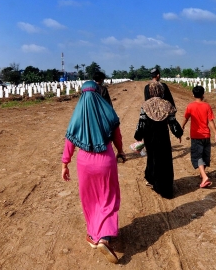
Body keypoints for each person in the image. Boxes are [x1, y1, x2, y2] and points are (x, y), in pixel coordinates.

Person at [61, 80, 126, 264]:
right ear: (98, 92)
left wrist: (65, 164)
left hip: (85, 162)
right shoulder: (108, 112)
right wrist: (120, 151)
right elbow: (117, 137)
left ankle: (94, 234)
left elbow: (70, 140)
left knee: (90, 199)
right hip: (106, 160)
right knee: (108, 197)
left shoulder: (77, 115)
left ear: (82, 94)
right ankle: (105, 237)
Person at [134, 82, 183, 199]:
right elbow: (173, 122)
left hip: (149, 136)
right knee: (165, 161)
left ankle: (153, 181)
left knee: (153, 158)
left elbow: (141, 122)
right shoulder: (167, 104)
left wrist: (138, 136)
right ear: (161, 91)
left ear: (151, 91)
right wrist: (178, 133)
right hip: (163, 136)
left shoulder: (145, 105)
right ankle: (166, 189)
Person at [180, 86, 216, 188]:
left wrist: (182, 127)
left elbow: (186, 118)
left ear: (193, 95)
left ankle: (204, 177)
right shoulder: (207, 106)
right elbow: (210, 121)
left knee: (198, 156)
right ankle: (202, 175)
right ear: (203, 94)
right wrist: (215, 133)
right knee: (205, 156)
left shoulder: (190, 106)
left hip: (196, 135)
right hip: (206, 135)